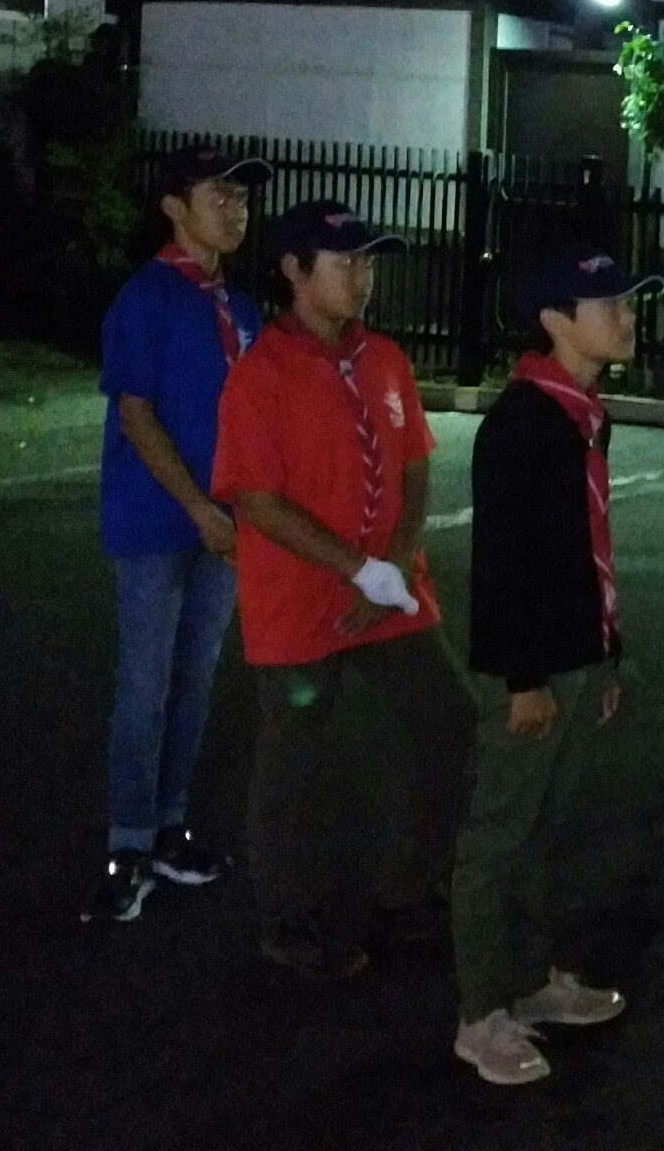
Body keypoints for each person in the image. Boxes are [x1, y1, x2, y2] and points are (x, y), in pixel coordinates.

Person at [213, 199, 469, 979]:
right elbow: (257, 500)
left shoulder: (384, 359)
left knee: (448, 720)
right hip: (301, 598)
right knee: (294, 756)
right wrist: (358, 569)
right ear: (294, 270)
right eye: (345, 261)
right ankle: (289, 919)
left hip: (390, 592)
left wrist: (394, 559)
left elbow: (414, 463)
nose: (363, 275)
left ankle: (406, 891)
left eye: (368, 260)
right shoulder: (261, 376)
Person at [448, 243, 657, 1085]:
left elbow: (581, 547)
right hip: (531, 670)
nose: (628, 317)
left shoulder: (582, 412)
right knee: (498, 837)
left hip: (576, 656)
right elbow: (501, 567)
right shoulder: (522, 423)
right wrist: (524, 682)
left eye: (628, 303)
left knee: (542, 828)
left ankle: (531, 981)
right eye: (609, 305)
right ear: (555, 321)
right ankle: (479, 1014)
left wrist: (603, 656)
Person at [83, 144, 271, 924]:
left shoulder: (239, 306)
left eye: (241, 197)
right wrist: (200, 509)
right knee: (145, 683)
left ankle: (170, 827)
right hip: (160, 522)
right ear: (173, 207)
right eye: (217, 195)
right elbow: (135, 413)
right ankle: (127, 843)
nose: (235, 209)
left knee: (194, 679)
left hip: (223, 527)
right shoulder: (147, 298)